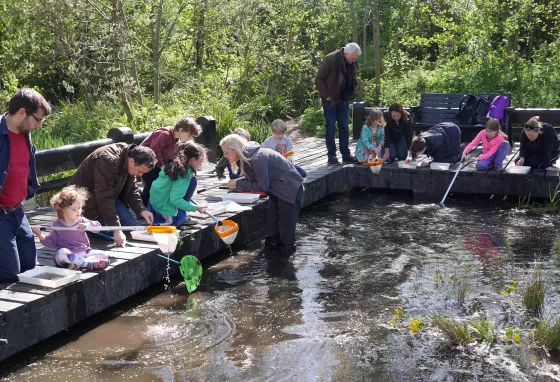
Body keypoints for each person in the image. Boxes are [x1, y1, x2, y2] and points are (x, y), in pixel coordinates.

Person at [220, 134, 304, 254]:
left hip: (289, 190)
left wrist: (237, 185)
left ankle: (286, 259)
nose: (225, 156)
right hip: (276, 189)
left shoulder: (257, 158)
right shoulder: (247, 158)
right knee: (271, 223)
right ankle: (272, 252)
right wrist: (235, 184)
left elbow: (262, 186)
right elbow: (255, 181)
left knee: (286, 227)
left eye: (226, 152)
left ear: (234, 150)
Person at [0, 88, 51, 283]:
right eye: (38, 120)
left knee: (30, 266)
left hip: (18, 211)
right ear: (22, 112)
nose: (39, 126)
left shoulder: (25, 131)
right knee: (10, 274)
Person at [68, 143, 156, 246]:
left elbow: (132, 188)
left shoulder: (129, 158)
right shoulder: (107, 160)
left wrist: (142, 210)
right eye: (140, 171)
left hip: (111, 197)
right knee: (111, 233)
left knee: (130, 226)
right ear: (131, 161)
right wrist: (116, 229)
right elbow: (104, 196)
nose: (140, 175)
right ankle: (83, 226)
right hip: (86, 204)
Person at [31, 186, 109, 271]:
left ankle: (81, 263)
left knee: (104, 255)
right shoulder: (57, 224)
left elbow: (97, 228)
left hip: (83, 253)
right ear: (62, 210)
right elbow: (51, 242)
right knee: (62, 252)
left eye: (79, 208)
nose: (78, 211)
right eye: (73, 209)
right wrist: (39, 235)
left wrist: (87, 225)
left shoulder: (81, 220)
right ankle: (86, 264)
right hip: (66, 257)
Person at [315, 42, 361, 165]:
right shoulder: (330, 59)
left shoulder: (352, 60)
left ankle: (346, 155)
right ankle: (332, 156)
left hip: (343, 98)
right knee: (331, 127)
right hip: (330, 98)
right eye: (353, 58)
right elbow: (319, 78)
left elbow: (352, 77)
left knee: (344, 127)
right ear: (346, 54)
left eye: (356, 58)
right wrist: (327, 95)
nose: (355, 60)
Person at [140, 117, 202, 206]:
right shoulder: (164, 134)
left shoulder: (176, 139)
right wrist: (162, 167)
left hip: (157, 164)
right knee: (151, 187)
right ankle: (143, 205)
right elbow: (154, 150)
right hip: (147, 163)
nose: (189, 139)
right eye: (189, 135)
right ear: (181, 130)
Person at [149, 141, 208, 228]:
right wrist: (195, 208)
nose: (200, 165)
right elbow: (175, 200)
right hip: (163, 212)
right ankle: (179, 212)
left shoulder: (172, 165)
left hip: (153, 205)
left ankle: (180, 208)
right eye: (200, 161)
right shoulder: (184, 174)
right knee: (193, 181)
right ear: (192, 160)